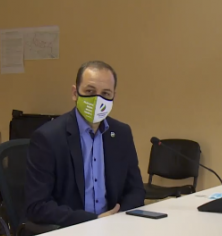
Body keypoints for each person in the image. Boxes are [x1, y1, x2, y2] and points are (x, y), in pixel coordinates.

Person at [25, 60, 145, 227]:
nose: (97, 100)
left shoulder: (121, 134)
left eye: (106, 93)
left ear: (114, 97)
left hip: (114, 228)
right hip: (70, 231)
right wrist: (93, 221)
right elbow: (37, 206)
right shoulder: (48, 138)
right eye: (90, 91)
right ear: (75, 93)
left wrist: (117, 218)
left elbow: (136, 190)